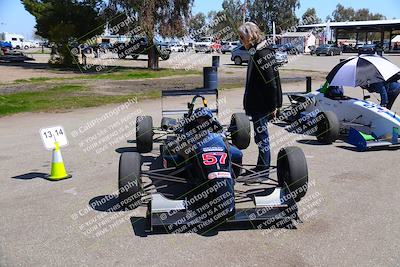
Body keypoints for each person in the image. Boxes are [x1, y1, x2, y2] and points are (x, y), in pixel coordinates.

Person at [238, 22, 282, 183]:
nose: (241, 40)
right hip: (258, 103)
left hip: (262, 104)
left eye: (242, 37)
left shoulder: (262, 53)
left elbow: (272, 82)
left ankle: (263, 172)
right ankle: (261, 166)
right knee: (260, 136)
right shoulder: (257, 51)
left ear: (250, 36)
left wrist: (273, 106)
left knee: (262, 137)